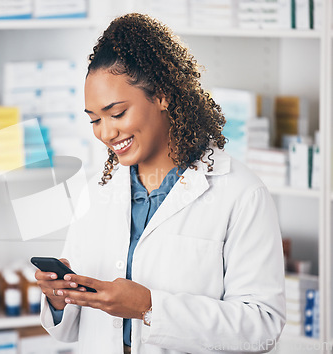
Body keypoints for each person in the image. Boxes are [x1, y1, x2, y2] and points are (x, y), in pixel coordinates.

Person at [34, 13, 285, 354]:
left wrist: (149, 307)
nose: (106, 133)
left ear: (163, 95)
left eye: (117, 113)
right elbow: (71, 329)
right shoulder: (97, 190)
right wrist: (60, 298)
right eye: (94, 120)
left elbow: (262, 328)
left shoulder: (241, 193)